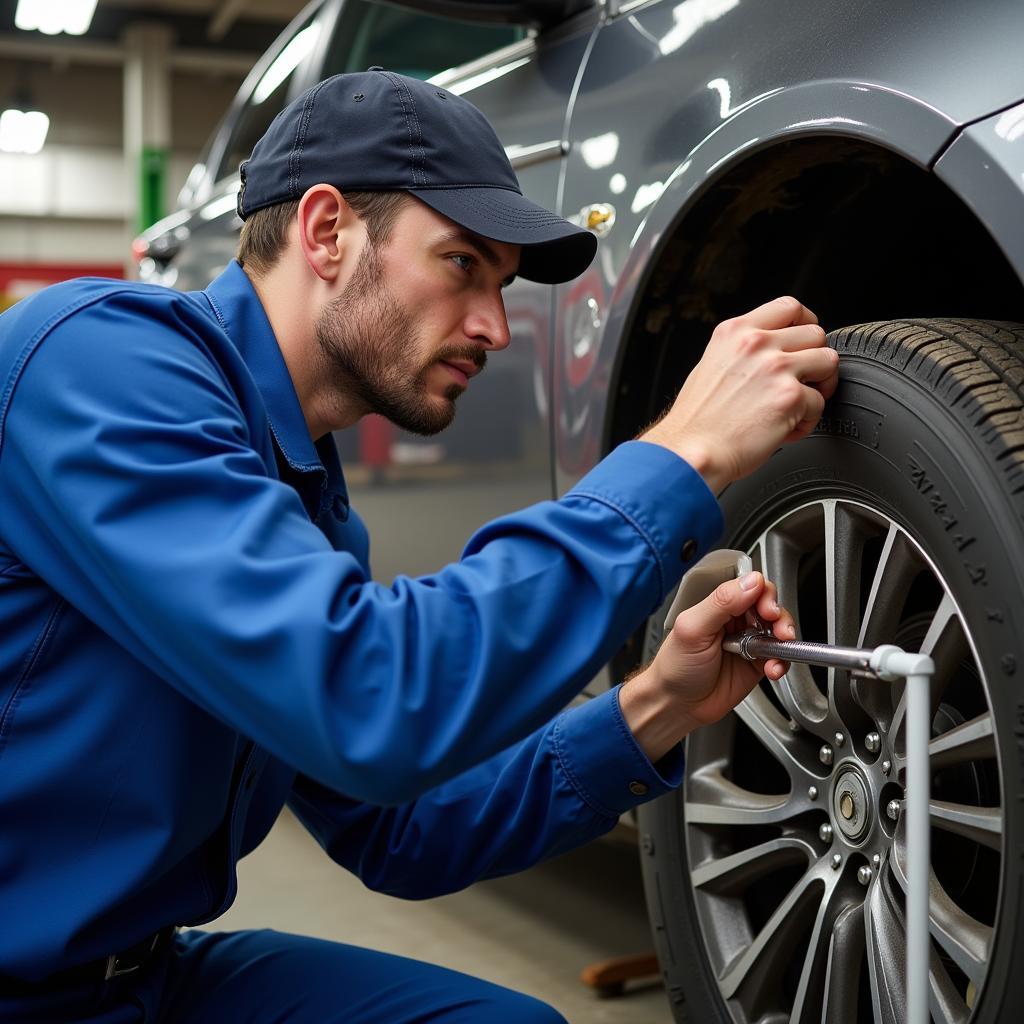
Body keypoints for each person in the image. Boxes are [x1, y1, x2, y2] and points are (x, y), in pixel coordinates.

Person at [0, 69, 836, 1022]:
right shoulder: (101, 363)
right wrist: (679, 454)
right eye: (460, 265)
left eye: (503, 285)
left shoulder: (310, 501)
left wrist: (653, 705)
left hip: (141, 978)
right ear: (326, 233)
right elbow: (370, 698)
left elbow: (400, 828)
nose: (492, 326)